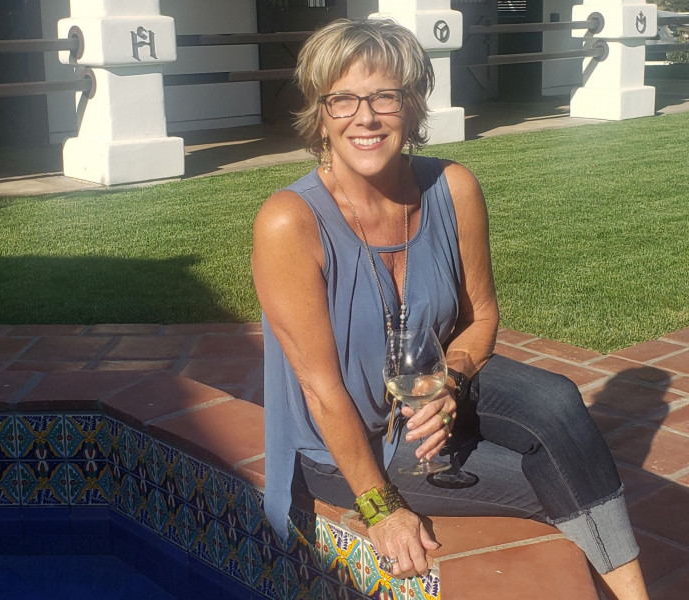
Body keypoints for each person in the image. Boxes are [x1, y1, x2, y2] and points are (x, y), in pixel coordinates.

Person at [252, 18, 650, 600]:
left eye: (386, 96)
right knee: (557, 480)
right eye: (343, 99)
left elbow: (481, 316)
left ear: (412, 108)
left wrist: (447, 383)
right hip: (348, 449)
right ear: (320, 113)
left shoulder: (453, 187)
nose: (366, 117)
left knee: (557, 401)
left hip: (424, 400)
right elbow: (320, 391)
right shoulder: (290, 222)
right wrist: (381, 507)